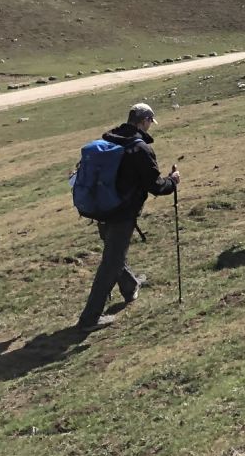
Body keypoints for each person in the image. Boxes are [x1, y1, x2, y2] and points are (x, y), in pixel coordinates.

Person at [76, 103, 179, 331]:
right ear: (144, 121)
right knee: (111, 263)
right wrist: (172, 181)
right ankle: (89, 319)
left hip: (99, 206)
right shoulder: (140, 149)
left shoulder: (110, 139)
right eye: (150, 122)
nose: (151, 126)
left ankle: (130, 285)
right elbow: (155, 185)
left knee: (114, 251)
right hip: (121, 212)